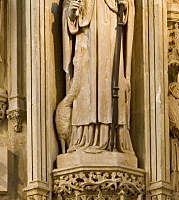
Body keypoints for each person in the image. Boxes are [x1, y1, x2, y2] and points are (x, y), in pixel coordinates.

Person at [57, 0, 135, 155]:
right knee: (85, 88)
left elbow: (128, 8)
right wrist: (71, 13)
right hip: (85, 39)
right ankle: (83, 138)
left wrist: (125, 7)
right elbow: (69, 10)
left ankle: (112, 136)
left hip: (110, 33)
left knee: (109, 82)